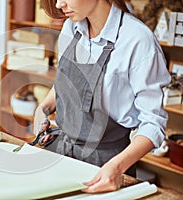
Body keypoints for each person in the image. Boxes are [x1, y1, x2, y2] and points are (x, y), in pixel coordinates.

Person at [33, 0, 171, 194]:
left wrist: (117, 166)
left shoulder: (137, 40)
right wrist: (43, 109)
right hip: (60, 155)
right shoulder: (71, 28)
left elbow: (153, 123)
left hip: (105, 168)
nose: (58, 4)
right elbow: (65, 83)